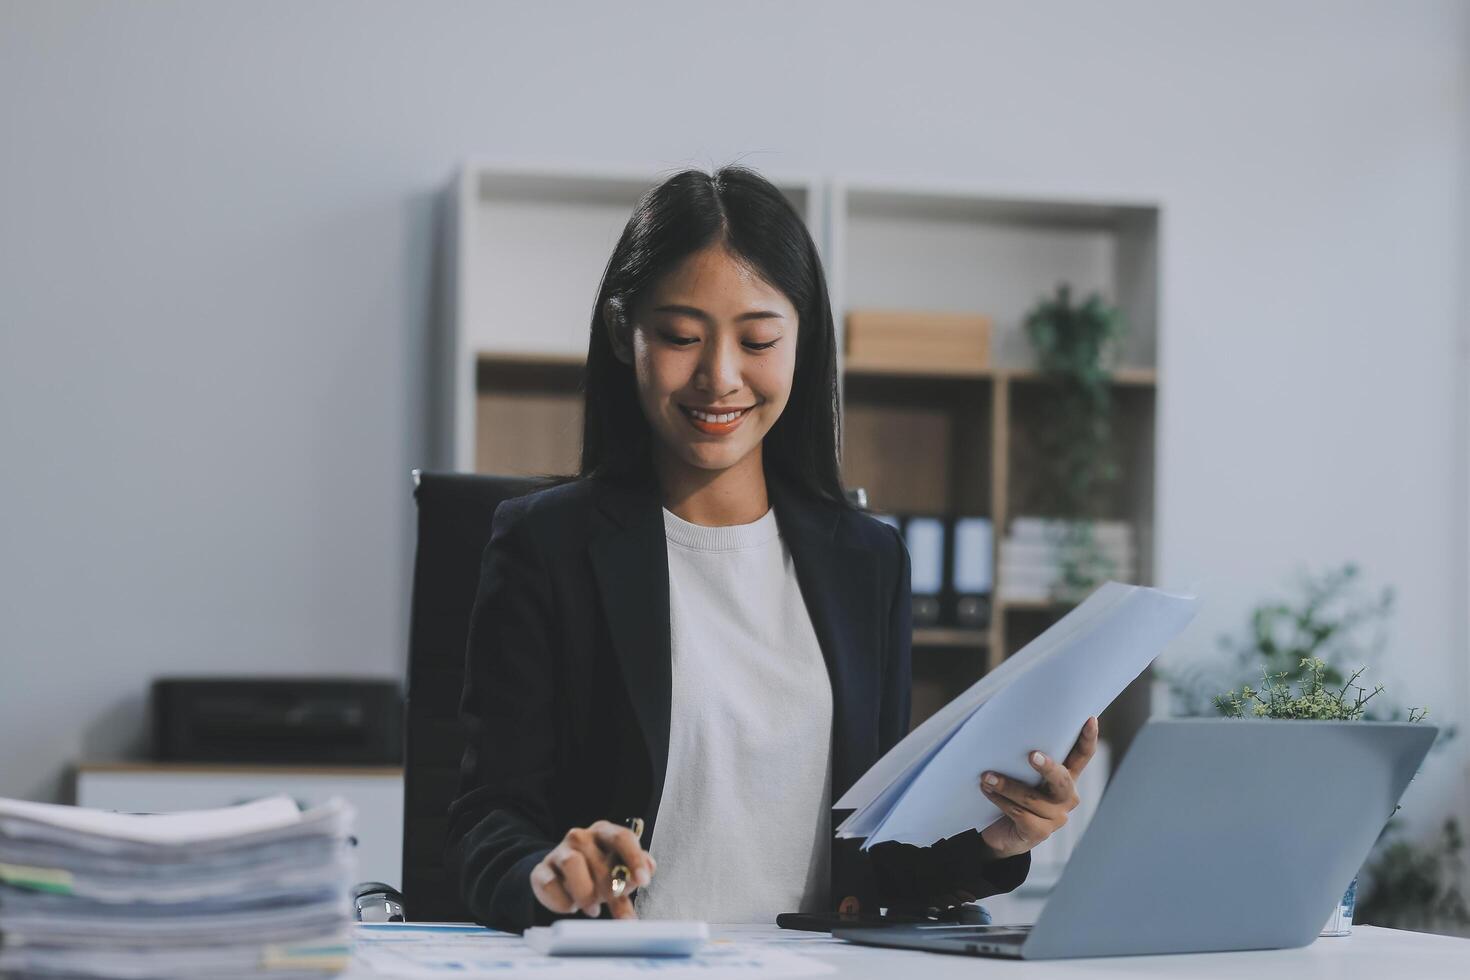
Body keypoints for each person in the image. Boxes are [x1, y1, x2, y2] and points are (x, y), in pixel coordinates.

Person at [444, 165, 1099, 933]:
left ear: (803, 341)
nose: (719, 377)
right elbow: (489, 823)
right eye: (682, 336)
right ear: (627, 335)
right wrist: (549, 874)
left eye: (757, 339)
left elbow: (871, 859)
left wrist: (999, 839)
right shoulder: (546, 547)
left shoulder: (868, 563)